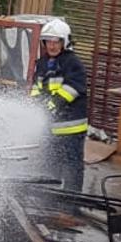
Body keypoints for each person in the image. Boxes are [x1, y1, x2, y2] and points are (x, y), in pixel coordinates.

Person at [29, 18, 88, 192]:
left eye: (56, 42)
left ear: (65, 42)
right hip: (50, 127)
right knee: (49, 164)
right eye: (48, 42)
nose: (52, 46)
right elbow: (36, 86)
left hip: (71, 128)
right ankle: (49, 196)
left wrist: (53, 104)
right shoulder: (42, 63)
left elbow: (74, 88)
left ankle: (72, 198)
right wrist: (36, 104)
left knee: (72, 166)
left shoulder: (72, 63)